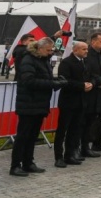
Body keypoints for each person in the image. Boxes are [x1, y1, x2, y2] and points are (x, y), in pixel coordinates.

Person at [10, 37, 67, 176]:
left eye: (51, 50)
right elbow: (29, 81)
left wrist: (57, 80)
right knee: (23, 136)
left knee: (32, 136)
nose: (50, 53)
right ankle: (15, 165)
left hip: (40, 103)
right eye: (48, 50)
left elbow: (44, 78)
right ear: (40, 48)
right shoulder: (28, 59)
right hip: (28, 103)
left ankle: (28, 162)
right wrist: (52, 84)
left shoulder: (43, 60)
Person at [53, 41, 93, 168]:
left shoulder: (85, 62)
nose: (86, 51)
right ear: (75, 50)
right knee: (62, 130)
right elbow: (65, 80)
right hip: (68, 101)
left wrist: (91, 83)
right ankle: (58, 156)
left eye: (87, 49)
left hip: (81, 101)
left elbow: (90, 76)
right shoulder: (66, 62)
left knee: (75, 130)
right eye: (83, 49)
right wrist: (82, 86)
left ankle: (70, 154)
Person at [82, 31, 101, 157]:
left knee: (93, 121)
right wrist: (99, 80)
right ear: (93, 42)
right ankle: (83, 146)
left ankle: (88, 145)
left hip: (100, 93)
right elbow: (88, 72)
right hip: (89, 93)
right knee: (84, 121)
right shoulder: (87, 55)